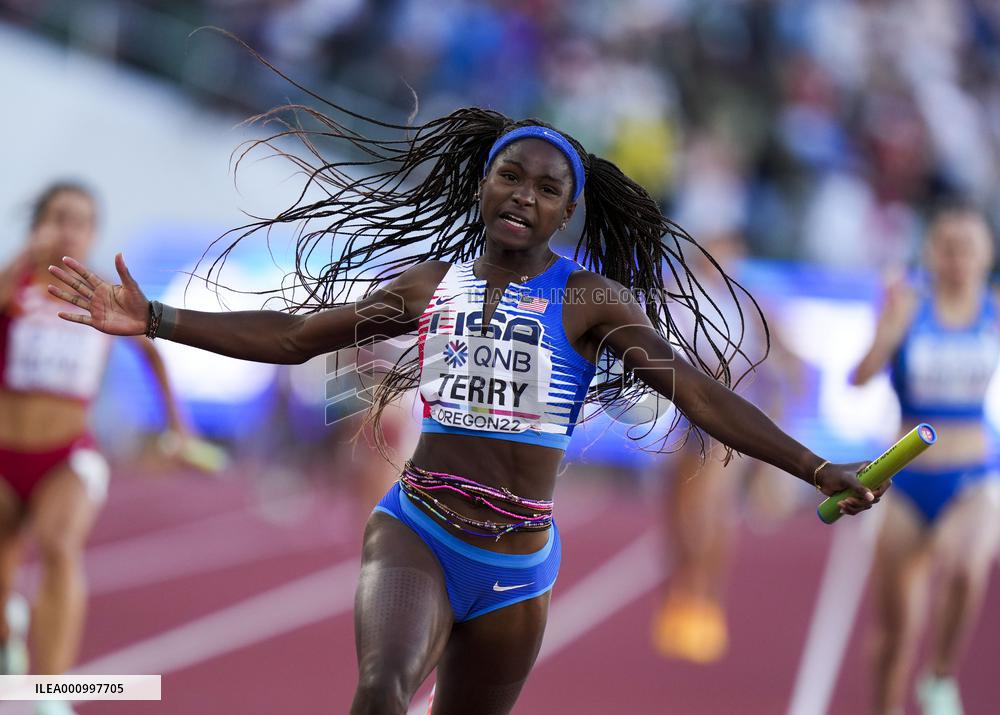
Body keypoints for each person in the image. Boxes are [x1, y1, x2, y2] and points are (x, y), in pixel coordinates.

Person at [48, 105, 886, 715]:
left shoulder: (590, 300)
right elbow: (301, 335)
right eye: (509, 175)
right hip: (418, 527)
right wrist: (155, 317)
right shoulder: (430, 284)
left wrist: (817, 466)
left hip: (518, 564)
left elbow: (698, 394)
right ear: (483, 184)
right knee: (381, 691)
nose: (523, 195)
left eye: (547, 187)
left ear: (567, 210)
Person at [0, 183, 193, 715]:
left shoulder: (101, 297)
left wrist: (178, 427)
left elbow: (152, 355)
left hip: (67, 457)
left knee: (59, 544)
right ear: (38, 225)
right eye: (58, 218)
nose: (69, 230)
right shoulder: (13, 285)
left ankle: (51, 694)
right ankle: (8, 628)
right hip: (4, 457)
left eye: (81, 221)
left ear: (92, 233)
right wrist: (23, 260)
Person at [851, 204, 1000, 715]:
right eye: (948, 248)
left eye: (968, 249)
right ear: (932, 253)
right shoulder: (908, 307)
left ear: (986, 255)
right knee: (894, 636)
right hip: (906, 480)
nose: (957, 260)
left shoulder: (994, 309)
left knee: (966, 567)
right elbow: (859, 377)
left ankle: (939, 676)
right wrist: (887, 330)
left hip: (973, 475)